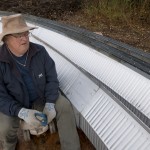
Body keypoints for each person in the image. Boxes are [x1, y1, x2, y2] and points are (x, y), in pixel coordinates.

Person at [0, 14, 81, 150]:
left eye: (26, 33)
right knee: (5, 128)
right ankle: (8, 147)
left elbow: (52, 78)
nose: (24, 38)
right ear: (7, 39)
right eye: (18, 35)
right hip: (15, 103)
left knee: (64, 106)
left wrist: (49, 104)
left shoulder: (40, 51)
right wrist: (21, 112)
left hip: (42, 97)